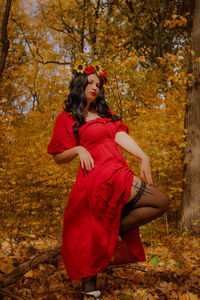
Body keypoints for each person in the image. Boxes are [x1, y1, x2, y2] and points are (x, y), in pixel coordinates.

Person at [47, 61, 169, 300]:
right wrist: (78, 150)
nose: (95, 87)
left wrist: (143, 156)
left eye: (98, 84)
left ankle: (111, 233)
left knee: (161, 201)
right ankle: (90, 292)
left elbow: (120, 136)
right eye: (90, 83)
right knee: (88, 228)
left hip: (117, 171)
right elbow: (58, 156)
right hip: (94, 178)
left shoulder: (105, 115)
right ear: (80, 84)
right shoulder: (67, 118)